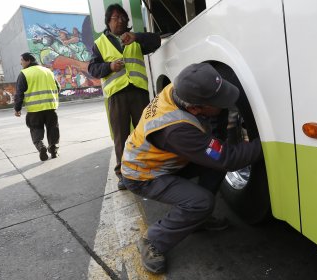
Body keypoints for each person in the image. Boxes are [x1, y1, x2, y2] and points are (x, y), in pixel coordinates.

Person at [121, 63, 262, 274]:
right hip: (144, 176)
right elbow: (226, 157)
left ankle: (197, 221)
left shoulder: (180, 90)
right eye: (219, 102)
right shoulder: (176, 130)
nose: (225, 104)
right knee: (201, 202)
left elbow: (215, 149)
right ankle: (153, 240)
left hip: (163, 161)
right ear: (196, 108)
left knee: (213, 166)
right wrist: (269, 143)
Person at [88, 4, 161, 190]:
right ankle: (123, 174)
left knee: (143, 132)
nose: (120, 21)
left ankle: (147, 168)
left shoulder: (134, 38)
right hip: (117, 95)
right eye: (115, 18)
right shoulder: (100, 43)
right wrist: (109, 67)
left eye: (123, 18)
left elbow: (156, 41)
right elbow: (93, 69)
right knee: (121, 136)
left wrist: (136, 36)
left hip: (138, 91)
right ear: (108, 22)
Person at [14, 52, 61, 161]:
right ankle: (53, 150)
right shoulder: (48, 71)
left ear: (28, 61)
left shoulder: (24, 74)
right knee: (53, 128)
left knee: (36, 129)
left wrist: (17, 109)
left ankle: (41, 147)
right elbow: (58, 88)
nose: (20, 63)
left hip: (34, 110)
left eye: (22, 60)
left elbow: (19, 93)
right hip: (50, 108)